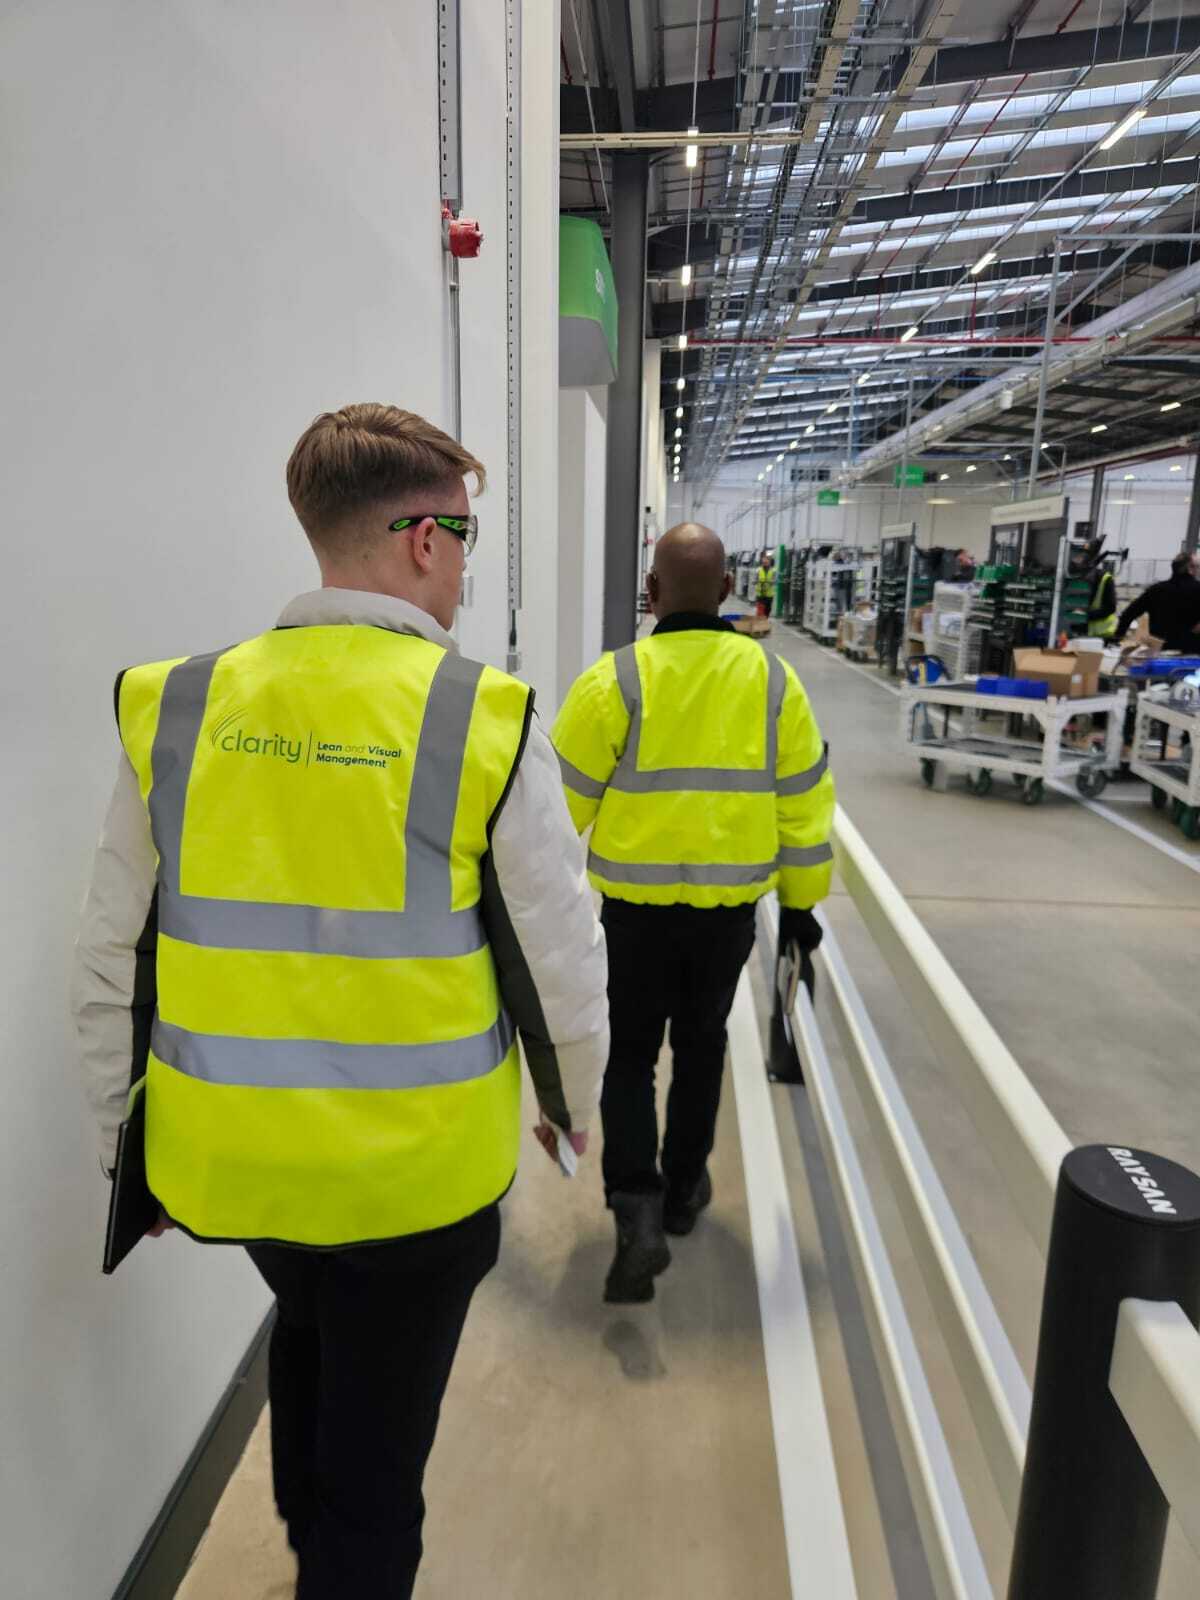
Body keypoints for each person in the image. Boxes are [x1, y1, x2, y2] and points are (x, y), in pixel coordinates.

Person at [71, 403, 609, 1599]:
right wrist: (575, 1105)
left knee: (309, 1331)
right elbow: (559, 957)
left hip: (243, 1168)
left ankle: (312, 1541)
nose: (467, 566)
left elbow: (114, 954)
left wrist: (132, 1150)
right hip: (417, 1183)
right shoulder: (482, 714)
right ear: (420, 538)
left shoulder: (179, 704)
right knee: (381, 1473)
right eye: (465, 537)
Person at [552, 523, 835, 1304]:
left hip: (633, 920)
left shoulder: (615, 682)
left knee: (630, 1058)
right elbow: (805, 805)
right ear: (725, 590)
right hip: (724, 919)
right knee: (702, 1048)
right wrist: (803, 908)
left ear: (651, 595)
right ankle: (682, 1192)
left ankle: (634, 1208)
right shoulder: (773, 681)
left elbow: (555, 811)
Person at [1113, 552, 1200, 652]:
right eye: (1198, 567)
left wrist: (1118, 638)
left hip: (1159, 650)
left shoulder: (1156, 590)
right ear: (1190, 568)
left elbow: (1128, 614)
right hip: (1192, 652)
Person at [756, 550, 775, 617]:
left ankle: (764, 622)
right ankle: (760, 624)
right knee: (760, 612)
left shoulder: (773, 571)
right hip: (760, 594)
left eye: (766, 562)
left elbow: (776, 580)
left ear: (769, 562)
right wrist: (756, 581)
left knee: (767, 611)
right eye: (764, 562)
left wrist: (773, 582)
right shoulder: (758, 570)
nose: (765, 563)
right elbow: (755, 579)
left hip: (769, 595)